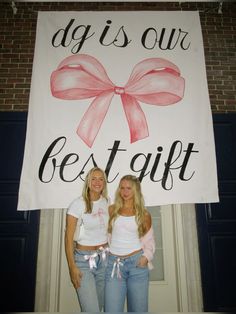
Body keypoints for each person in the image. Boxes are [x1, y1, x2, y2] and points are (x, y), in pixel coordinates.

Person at [105, 174, 155, 312]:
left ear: (136, 191)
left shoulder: (144, 214)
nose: (125, 192)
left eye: (129, 188)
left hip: (137, 265)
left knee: (138, 310)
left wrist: (146, 257)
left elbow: (149, 240)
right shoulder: (111, 210)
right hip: (114, 265)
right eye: (122, 188)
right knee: (112, 310)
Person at [65, 167, 109, 312]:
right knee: (91, 310)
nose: (97, 182)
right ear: (88, 182)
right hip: (84, 261)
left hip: (105, 259)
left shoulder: (107, 203)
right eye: (94, 179)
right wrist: (72, 267)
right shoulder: (77, 204)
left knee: (100, 306)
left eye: (101, 179)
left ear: (104, 182)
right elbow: (68, 239)